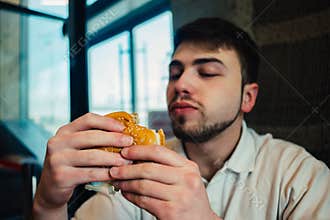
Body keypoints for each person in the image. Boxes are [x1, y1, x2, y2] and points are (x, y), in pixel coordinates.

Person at [32, 17, 330, 220]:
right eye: (175, 73)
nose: (181, 84)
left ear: (247, 97)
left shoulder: (300, 178)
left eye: (208, 72)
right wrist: (48, 205)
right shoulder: (136, 166)